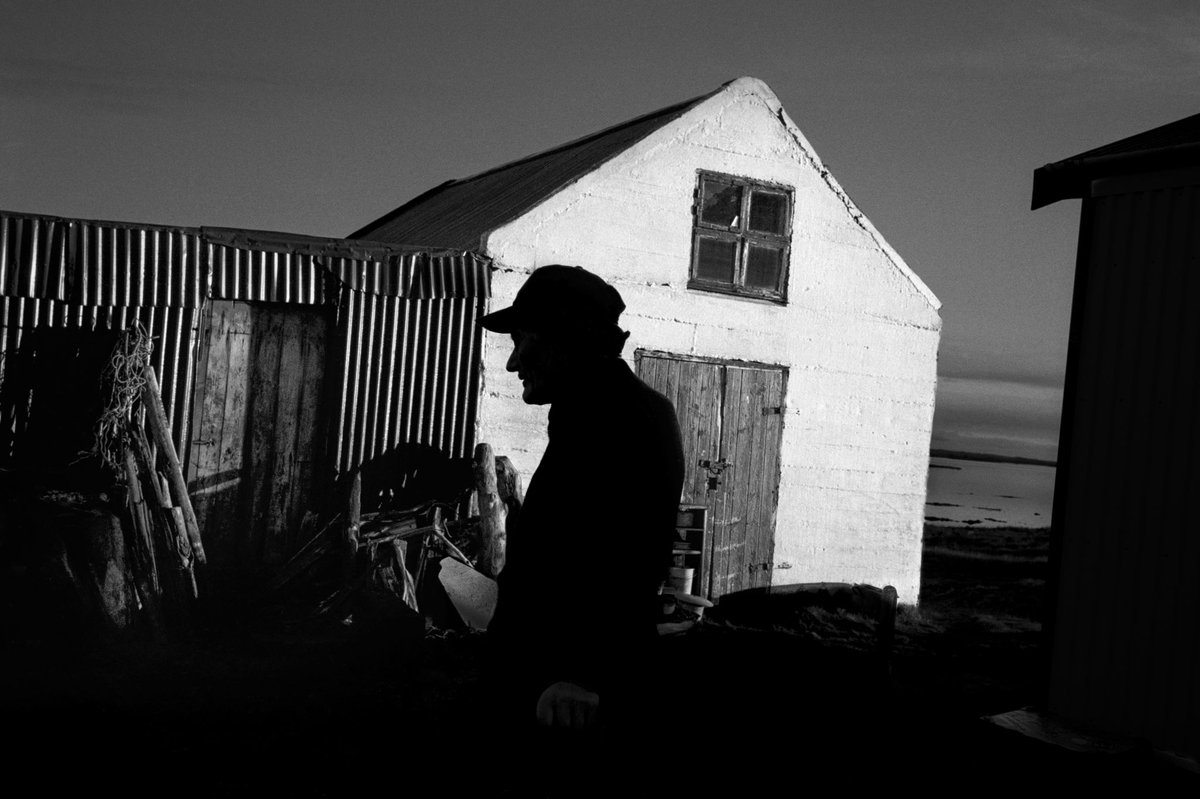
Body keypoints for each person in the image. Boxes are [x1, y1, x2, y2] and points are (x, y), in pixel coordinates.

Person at [477, 264, 685, 791]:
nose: (512, 361)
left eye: (523, 340)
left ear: (565, 338)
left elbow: (626, 561)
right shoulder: (593, 415)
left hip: (570, 703)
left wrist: (582, 674)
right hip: (553, 691)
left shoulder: (620, 420)